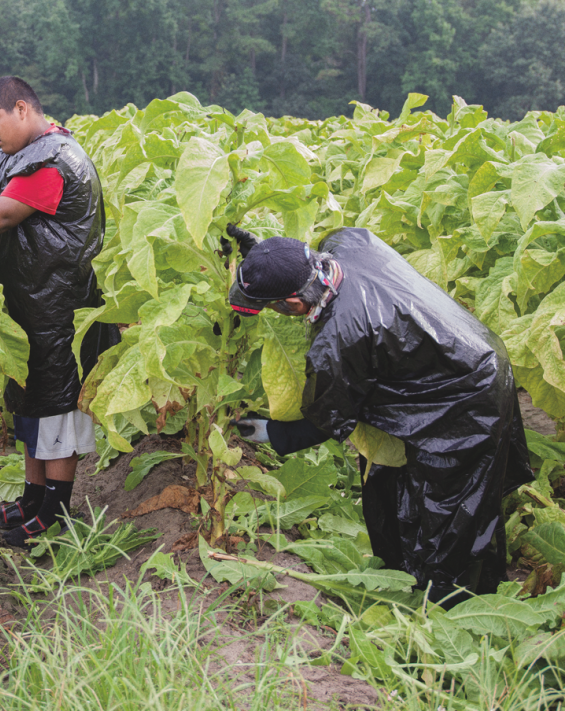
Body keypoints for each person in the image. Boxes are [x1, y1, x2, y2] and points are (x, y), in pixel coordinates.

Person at [226, 224, 533, 604]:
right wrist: (259, 259)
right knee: (392, 486)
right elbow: (289, 261)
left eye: (271, 305)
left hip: (469, 396)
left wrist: (273, 434)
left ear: (293, 304)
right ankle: (405, 575)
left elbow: (330, 416)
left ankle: (458, 608)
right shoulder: (346, 244)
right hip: (461, 345)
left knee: (455, 515)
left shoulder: (340, 338)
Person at [0, 76, 118, 548]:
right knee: (30, 403)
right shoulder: (11, 155)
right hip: (28, 306)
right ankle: (32, 498)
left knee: (58, 408)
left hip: (61, 308)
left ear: (22, 109)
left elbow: (0, 216)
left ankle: (54, 513)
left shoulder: (56, 159)